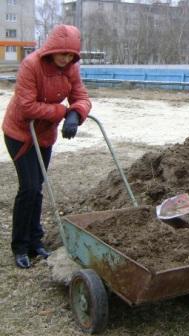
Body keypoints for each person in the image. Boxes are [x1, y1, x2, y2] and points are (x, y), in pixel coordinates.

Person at [2, 24, 92, 269]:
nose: (66, 59)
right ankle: (19, 246)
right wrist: (62, 111)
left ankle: (35, 240)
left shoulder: (71, 68)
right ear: (52, 49)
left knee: (38, 187)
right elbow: (27, 106)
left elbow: (81, 96)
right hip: (20, 132)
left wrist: (76, 114)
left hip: (43, 134)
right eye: (63, 53)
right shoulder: (31, 65)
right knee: (29, 188)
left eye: (71, 55)